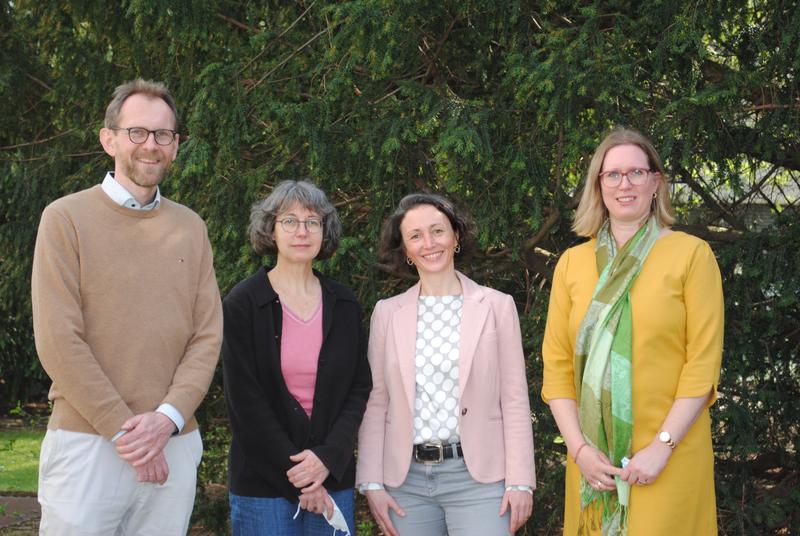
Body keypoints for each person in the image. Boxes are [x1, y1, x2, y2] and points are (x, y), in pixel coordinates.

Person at [31, 79, 223, 535]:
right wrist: (127, 431)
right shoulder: (65, 219)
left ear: (175, 146)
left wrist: (167, 420)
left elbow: (207, 335)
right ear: (109, 139)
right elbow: (59, 340)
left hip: (174, 443)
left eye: (163, 135)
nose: (150, 146)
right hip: (87, 443)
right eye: (137, 132)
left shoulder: (191, 227)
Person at [542, 128, 724, 535]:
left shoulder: (690, 255)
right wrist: (580, 450)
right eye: (613, 175)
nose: (625, 184)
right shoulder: (572, 264)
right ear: (598, 185)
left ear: (656, 182)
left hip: (668, 458)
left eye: (636, 173)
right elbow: (555, 368)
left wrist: (661, 446)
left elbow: (703, 363)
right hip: (594, 466)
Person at [356, 193, 536, 536]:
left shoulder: (496, 307)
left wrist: (521, 482)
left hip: (480, 482)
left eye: (438, 231)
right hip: (405, 483)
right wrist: (371, 483)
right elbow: (376, 402)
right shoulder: (387, 313)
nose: (429, 243)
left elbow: (514, 399)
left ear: (456, 235)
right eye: (415, 236)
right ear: (405, 250)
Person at [222, 180, 372, 535]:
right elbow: (245, 402)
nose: (301, 231)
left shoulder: (344, 303)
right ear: (271, 230)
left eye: (312, 222)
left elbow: (358, 388)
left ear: (325, 231)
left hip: (331, 477)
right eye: (289, 221)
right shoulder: (243, 303)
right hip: (263, 486)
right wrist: (303, 480)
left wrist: (326, 460)